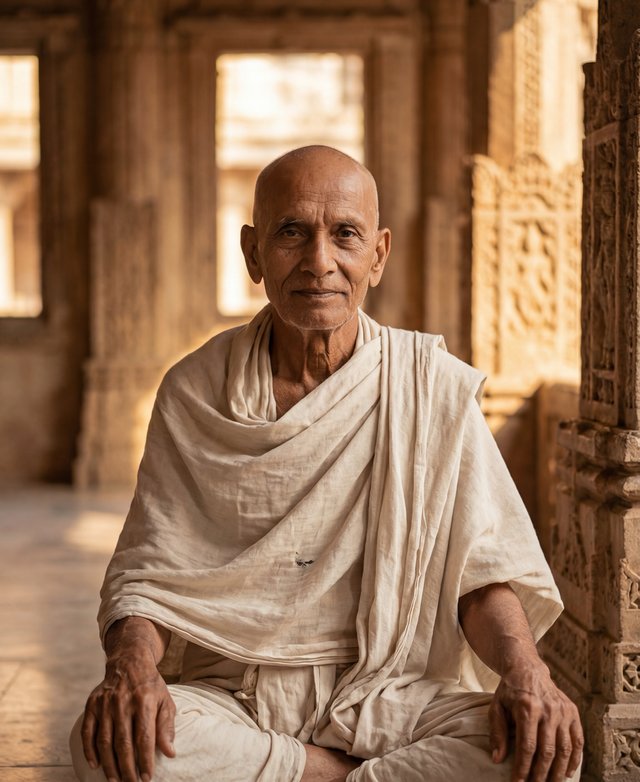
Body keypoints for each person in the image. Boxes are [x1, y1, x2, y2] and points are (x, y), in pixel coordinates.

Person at [69, 145, 583, 782]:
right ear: (253, 253)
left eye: (345, 235)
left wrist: (528, 673)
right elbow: (149, 574)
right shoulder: (195, 389)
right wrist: (132, 671)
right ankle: (330, 772)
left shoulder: (426, 386)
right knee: (107, 752)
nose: (320, 263)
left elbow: (482, 575)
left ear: (378, 254)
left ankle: (297, 773)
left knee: (540, 748)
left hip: (389, 690)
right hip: (240, 695)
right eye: (291, 233)